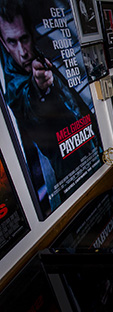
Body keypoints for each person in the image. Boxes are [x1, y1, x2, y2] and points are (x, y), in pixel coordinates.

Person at [0, 1, 101, 210]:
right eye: (12, 42)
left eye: (24, 39)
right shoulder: (14, 80)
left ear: (31, 34)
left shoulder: (40, 51)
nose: (22, 51)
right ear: (3, 43)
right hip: (66, 176)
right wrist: (39, 87)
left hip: (91, 154)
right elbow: (24, 99)